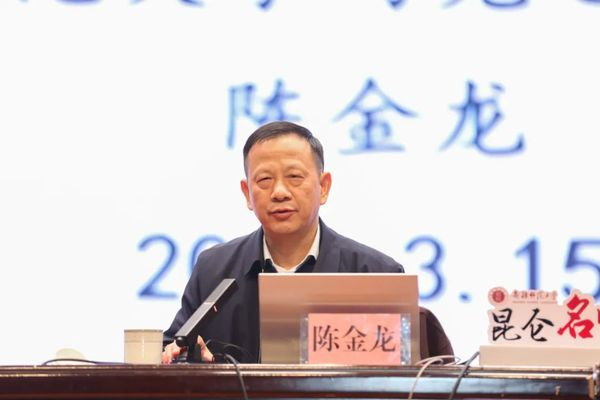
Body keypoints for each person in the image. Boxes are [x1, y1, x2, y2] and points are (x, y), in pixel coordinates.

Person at [162, 121, 435, 363]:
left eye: (294, 177)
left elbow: (398, 380)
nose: (280, 192)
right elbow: (172, 348)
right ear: (247, 193)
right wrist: (188, 357)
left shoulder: (376, 274)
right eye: (265, 180)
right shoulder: (214, 269)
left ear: (323, 187)